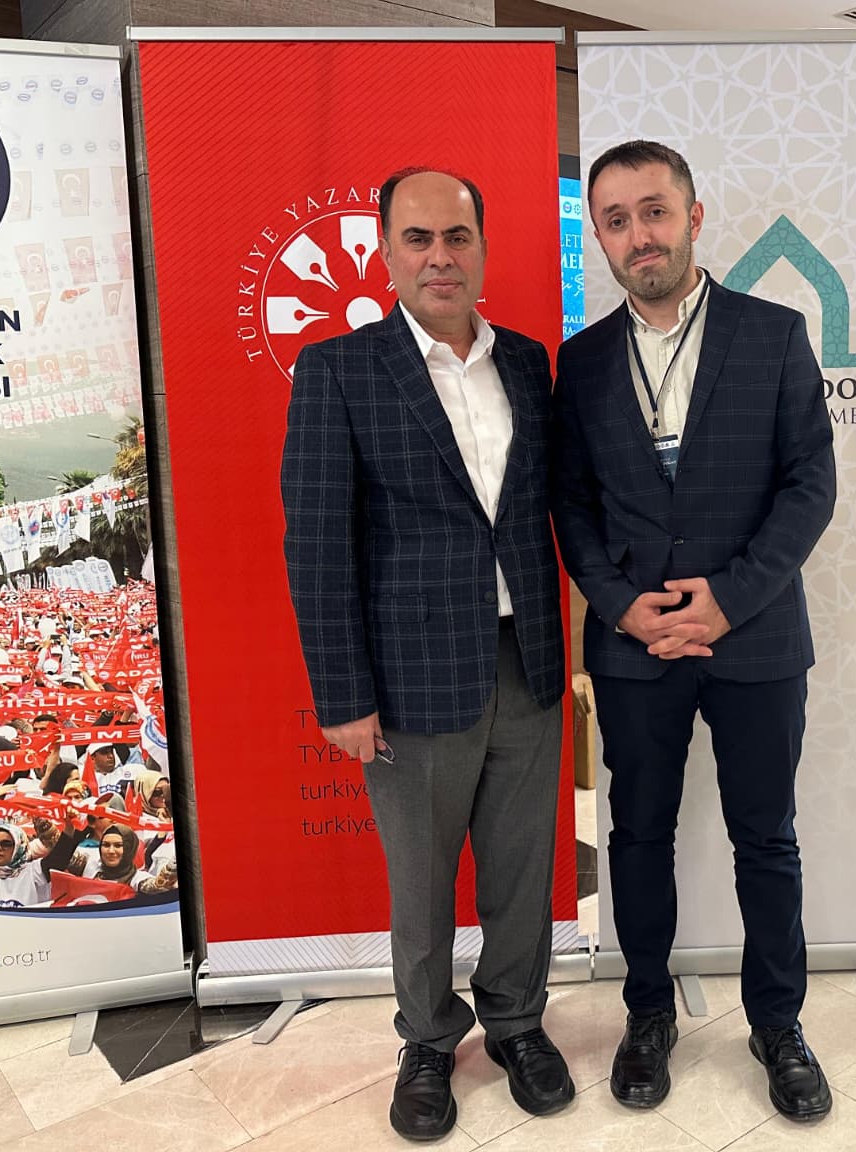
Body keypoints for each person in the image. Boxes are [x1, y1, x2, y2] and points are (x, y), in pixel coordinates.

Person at [281, 168, 571, 1141]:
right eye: (418, 238)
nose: (439, 256)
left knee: (522, 868)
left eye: (457, 236)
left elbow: (543, 510)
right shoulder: (339, 370)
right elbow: (317, 542)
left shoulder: (526, 362)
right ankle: (428, 1039)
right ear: (385, 251)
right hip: (408, 676)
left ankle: (518, 1023)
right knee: (421, 878)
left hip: (527, 658)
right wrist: (342, 693)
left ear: (482, 247)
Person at [552, 140, 837, 1121]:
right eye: (616, 220)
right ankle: (646, 1015)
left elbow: (810, 484)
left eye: (654, 211)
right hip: (633, 647)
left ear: (693, 217)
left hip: (756, 638)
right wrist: (619, 604)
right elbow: (571, 503)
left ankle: (778, 1024)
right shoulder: (582, 362)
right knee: (637, 836)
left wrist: (731, 597)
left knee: (767, 837)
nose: (639, 235)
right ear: (600, 238)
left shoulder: (775, 334)